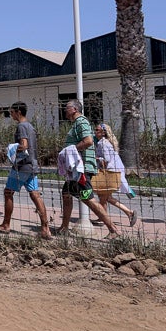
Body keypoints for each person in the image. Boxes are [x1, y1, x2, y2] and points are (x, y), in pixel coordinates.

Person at [56, 99, 120, 235]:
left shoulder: (81, 122)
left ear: (74, 109)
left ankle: (113, 229)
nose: (65, 110)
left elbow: (88, 141)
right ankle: (64, 228)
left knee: (88, 199)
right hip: (74, 170)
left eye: (67, 108)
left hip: (82, 170)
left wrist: (70, 150)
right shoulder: (76, 124)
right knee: (66, 195)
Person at [0, 101, 51, 236]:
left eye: (12, 112)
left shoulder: (21, 126)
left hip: (22, 166)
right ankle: (45, 228)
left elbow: (24, 145)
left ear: (18, 112)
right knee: (35, 195)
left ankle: (6, 225)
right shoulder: (31, 126)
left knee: (8, 192)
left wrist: (11, 148)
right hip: (32, 164)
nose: (11, 115)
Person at [95, 122, 139, 227]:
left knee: (104, 196)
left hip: (109, 172)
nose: (95, 132)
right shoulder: (107, 142)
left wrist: (95, 158)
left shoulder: (102, 143)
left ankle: (129, 212)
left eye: (97, 130)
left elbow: (106, 159)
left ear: (103, 132)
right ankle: (104, 217)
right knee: (104, 197)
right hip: (115, 170)